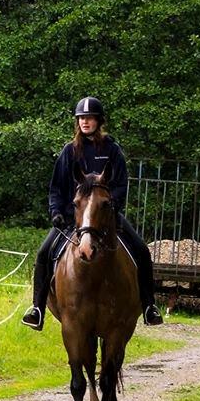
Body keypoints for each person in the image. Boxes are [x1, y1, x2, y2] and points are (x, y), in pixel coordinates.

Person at [21, 96, 164, 331]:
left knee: (141, 249)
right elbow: (56, 187)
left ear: (99, 121)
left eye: (89, 118)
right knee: (44, 253)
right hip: (72, 219)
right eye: (81, 118)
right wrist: (56, 211)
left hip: (106, 218)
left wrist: (111, 207)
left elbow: (120, 184)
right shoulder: (69, 152)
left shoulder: (112, 150)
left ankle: (149, 305)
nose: (85, 122)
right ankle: (37, 308)